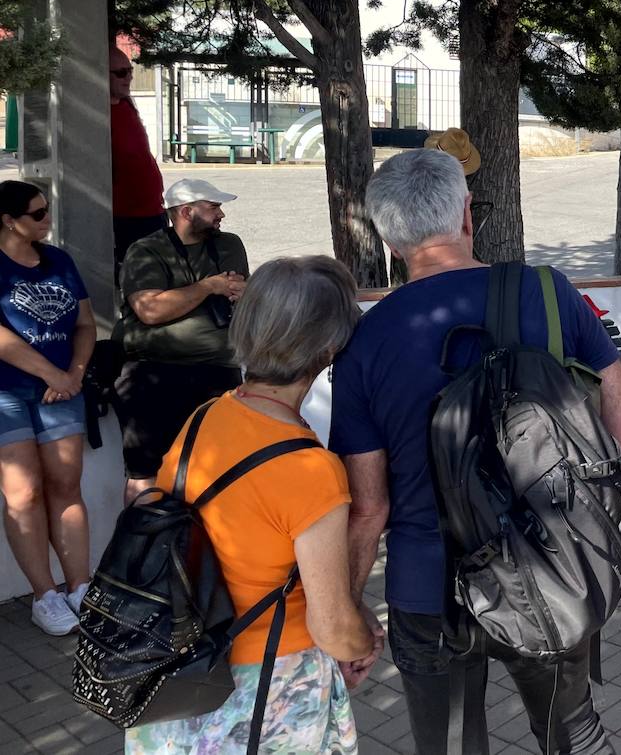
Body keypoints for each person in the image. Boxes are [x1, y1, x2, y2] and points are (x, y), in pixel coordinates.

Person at [332, 148, 621, 755]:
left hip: (427, 584)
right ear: (467, 214)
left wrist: (348, 607)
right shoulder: (548, 291)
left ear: (390, 240)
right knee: (572, 733)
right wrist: (607, 527)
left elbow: (369, 507)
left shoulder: (365, 340)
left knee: (449, 746)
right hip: (552, 559)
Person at [125, 256, 381, 754]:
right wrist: (364, 642)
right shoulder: (310, 469)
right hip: (265, 686)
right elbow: (333, 630)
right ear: (329, 349)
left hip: (180, 674)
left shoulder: (205, 417)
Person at [113, 178, 248, 504]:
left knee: (223, 465)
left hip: (219, 370)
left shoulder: (229, 245)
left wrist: (242, 293)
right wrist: (208, 287)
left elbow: (242, 293)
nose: (221, 214)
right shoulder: (146, 250)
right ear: (186, 212)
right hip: (155, 374)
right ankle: (145, 533)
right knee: (147, 472)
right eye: (213, 207)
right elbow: (150, 310)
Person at [0, 181, 94, 636]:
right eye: (38, 214)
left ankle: (79, 586)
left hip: (62, 389)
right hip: (8, 391)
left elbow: (85, 324)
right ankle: (44, 595)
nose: (47, 220)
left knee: (66, 484)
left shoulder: (59, 260)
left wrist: (73, 372)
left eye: (48, 210)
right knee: (23, 493)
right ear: (8, 221)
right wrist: (52, 374)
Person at [109, 45, 166, 275]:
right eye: (121, 73)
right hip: (126, 219)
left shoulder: (126, 106)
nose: (129, 77)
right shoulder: (103, 114)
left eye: (130, 71)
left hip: (152, 212)